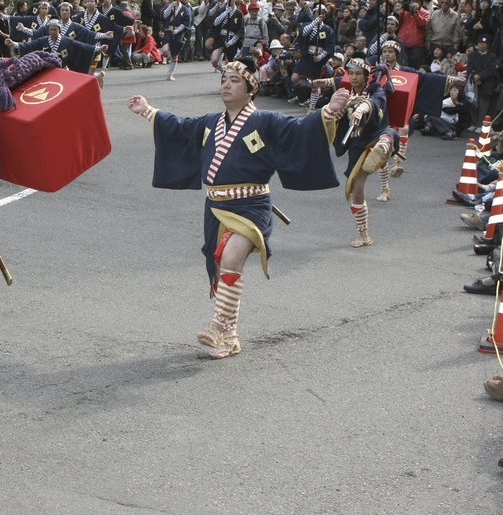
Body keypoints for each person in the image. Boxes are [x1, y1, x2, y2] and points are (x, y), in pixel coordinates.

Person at [127, 56, 348, 358]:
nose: (226, 85)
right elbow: (179, 128)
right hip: (216, 207)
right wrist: (147, 111)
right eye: (223, 80)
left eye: (234, 80)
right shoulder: (210, 123)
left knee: (231, 258)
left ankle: (218, 325)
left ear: (251, 88)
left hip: (252, 204)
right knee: (220, 268)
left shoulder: (266, 121)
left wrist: (328, 112)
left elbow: (298, 131)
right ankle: (231, 338)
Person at [315, 59, 398, 246]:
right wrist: (346, 106)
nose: (354, 77)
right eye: (351, 73)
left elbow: (372, 103)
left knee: (388, 135)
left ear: (366, 76)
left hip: (375, 136)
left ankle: (383, 150)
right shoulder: (347, 94)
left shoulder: (377, 91)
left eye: (358, 74)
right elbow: (335, 116)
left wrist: (360, 109)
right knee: (356, 189)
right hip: (357, 145)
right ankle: (363, 235)